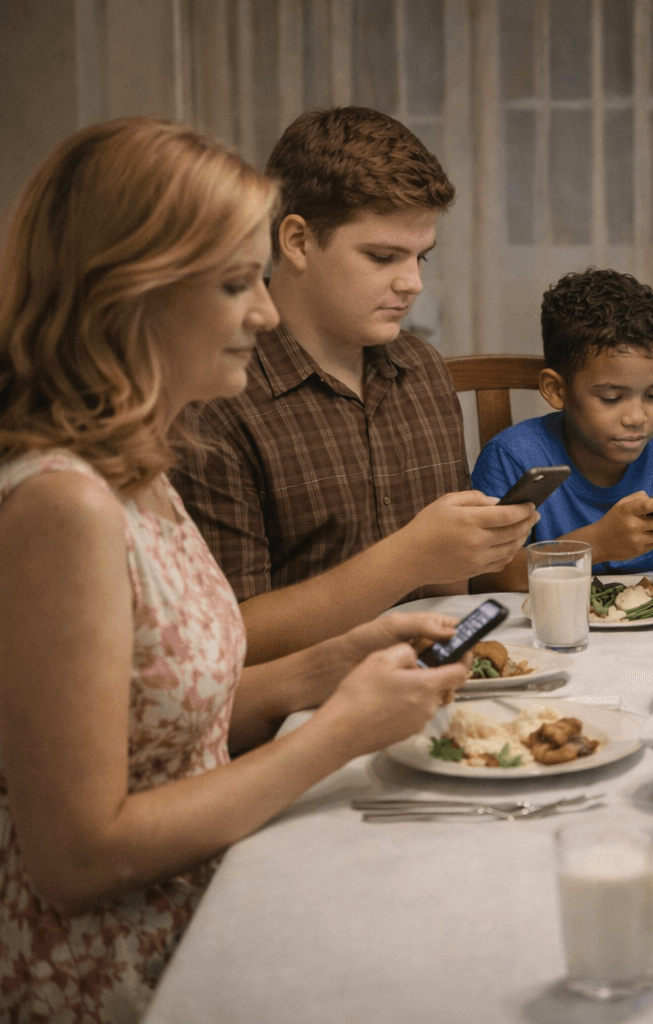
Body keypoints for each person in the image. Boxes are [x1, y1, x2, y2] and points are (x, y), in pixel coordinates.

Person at [0, 118, 473, 1024]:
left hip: (221, 891)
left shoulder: (136, 462)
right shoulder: (61, 505)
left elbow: (174, 714)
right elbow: (78, 858)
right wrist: (334, 734)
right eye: (233, 284)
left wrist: (329, 666)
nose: (263, 312)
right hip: (128, 974)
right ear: (129, 295)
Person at [171, 107, 537, 663]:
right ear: (297, 241)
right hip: (301, 700)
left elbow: (452, 590)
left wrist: (478, 546)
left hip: (437, 674)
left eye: (421, 257)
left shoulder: (422, 370)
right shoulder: (220, 396)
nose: (412, 283)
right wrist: (409, 557)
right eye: (383, 256)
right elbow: (228, 640)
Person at [471, 268, 653, 589]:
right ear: (556, 390)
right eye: (612, 398)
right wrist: (598, 543)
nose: (637, 417)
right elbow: (485, 581)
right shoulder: (513, 456)